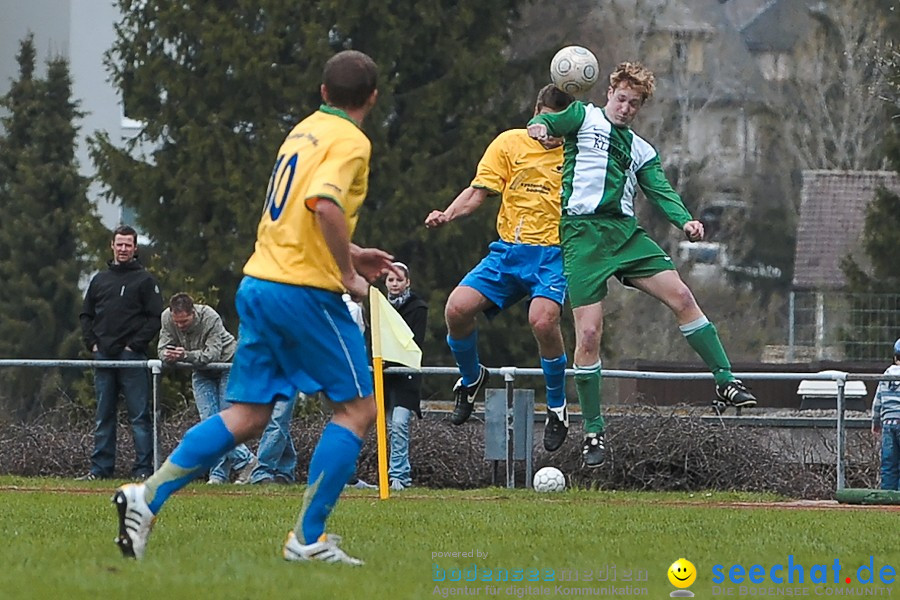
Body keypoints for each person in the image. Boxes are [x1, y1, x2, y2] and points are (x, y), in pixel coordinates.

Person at [111, 50, 399, 565]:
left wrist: (352, 250)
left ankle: (146, 497)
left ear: (323, 92)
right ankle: (307, 539)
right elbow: (325, 205)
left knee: (246, 415)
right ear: (373, 97)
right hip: (302, 291)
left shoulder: (304, 130)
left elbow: (300, 214)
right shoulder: (351, 140)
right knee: (358, 409)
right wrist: (349, 275)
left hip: (261, 283)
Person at [527, 62, 757, 468]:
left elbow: (660, 189)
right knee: (590, 332)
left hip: (625, 235)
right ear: (609, 94)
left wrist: (684, 219)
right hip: (583, 236)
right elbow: (555, 121)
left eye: (634, 103)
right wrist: (542, 128)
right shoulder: (585, 116)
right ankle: (594, 432)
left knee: (683, 296)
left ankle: (725, 380)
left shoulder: (640, 148)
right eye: (621, 98)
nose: (626, 107)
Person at [424, 85, 575, 452]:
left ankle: (557, 406)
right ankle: (472, 378)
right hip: (509, 252)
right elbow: (478, 191)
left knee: (542, 320)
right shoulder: (509, 143)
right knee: (456, 308)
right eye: (546, 120)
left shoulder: (578, 150)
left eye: (560, 123)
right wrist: (448, 213)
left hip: (553, 255)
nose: (551, 132)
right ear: (536, 111)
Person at [79, 224, 163, 481]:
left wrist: (134, 346)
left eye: (128, 244)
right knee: (103, 415)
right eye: (120, 244)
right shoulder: (99, 280)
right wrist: (92, 344)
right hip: (103, 356)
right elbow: (86, 314)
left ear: (135, 248)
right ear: (112, 246)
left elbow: (154, 318)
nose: (123, 249)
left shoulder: (145, 280)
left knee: (139, 417)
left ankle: (143, 470)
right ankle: (100, 469)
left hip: (132, 359)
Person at [158, 293, 257, 484]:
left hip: (227, 366)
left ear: (193, 313)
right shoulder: (166, 318)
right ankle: (219, 474)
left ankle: (247, 462)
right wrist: (167, 355)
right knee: (209, 422)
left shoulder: (210, 317)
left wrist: (185, 355)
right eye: (176, 322)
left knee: (226, 421)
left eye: (184, 321)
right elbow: (161, 348)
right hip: (200, 371)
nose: (180, 326)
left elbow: (212, 354)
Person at [383, 262, 428, 490]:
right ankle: (387, 476)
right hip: (383, 377)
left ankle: (400, 476)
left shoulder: (418, 308)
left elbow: (414, 342)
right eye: (390, 280)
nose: (394, 284)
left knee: (400, 423)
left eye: (399, 280)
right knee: (388, 426)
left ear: (407, 282)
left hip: (405, 375)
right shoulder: (379, 307)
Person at [872, 339, 900, 490]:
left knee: (889, 463)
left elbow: (878, 401)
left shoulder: (886, 375)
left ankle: (887, 497)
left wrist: (876, 423)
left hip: (888, 424)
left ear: (895, 358)